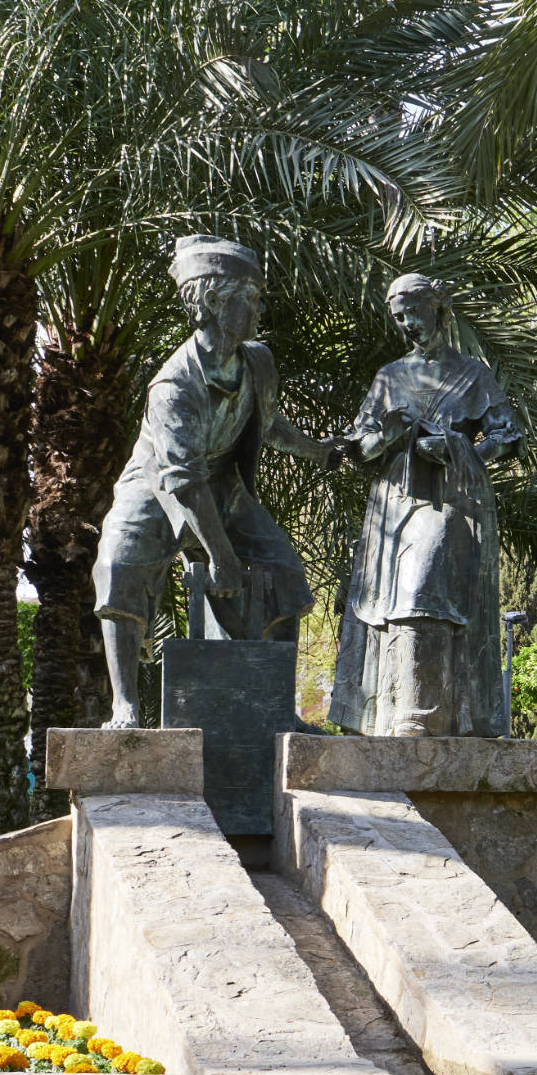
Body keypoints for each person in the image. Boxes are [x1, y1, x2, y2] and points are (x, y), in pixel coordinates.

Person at [92, 236, 337, 727]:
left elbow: (270, 425)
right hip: (157, 488)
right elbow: (182, 481)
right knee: (120, 560)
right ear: (210, 302)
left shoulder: (258, 361)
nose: (258, 306)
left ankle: (279, 709)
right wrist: (221, 557)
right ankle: (126, 706)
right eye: (248, 296)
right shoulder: (172, 386)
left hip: (222, 486)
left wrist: (321, 450)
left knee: (284, 571)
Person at [330, 274, 519, 737]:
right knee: (389, 602)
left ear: (438, 308)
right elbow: (362, 446)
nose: (406, 325)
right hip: (395, 501)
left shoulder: (474, 373)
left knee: (424, 584)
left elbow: (507, 436)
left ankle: (424, 715)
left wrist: (457, 446)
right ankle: (389, 712)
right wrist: (390, 434)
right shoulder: (389, 376)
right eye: (398, 318)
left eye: (412, 313)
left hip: (450, 496)